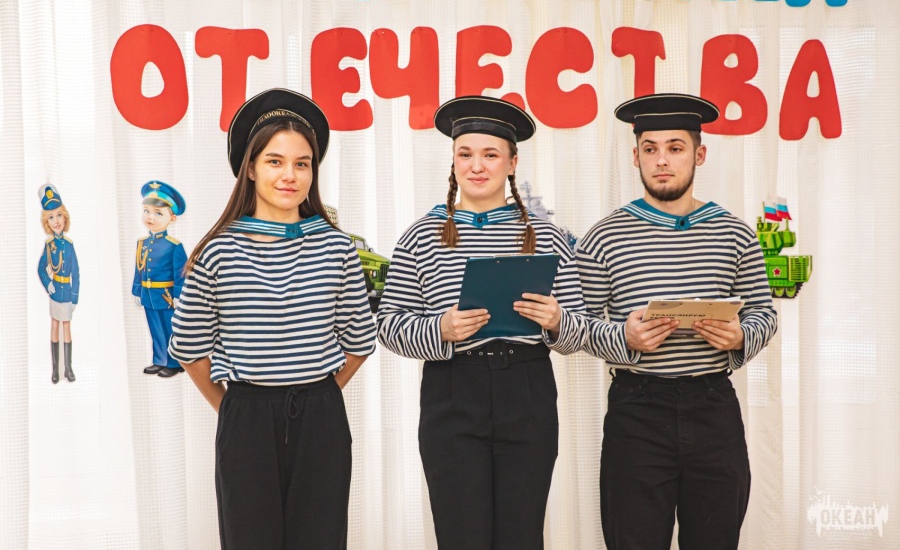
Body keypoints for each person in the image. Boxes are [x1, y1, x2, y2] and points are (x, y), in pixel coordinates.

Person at [376, 96, 588, 550]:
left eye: (491, 154)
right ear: (453, 161)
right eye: (465, 154)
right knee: (462, 536)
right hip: (453, 389)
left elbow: (579, 330)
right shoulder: (420, 236)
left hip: (527, 390)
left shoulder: (548, 236)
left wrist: (556, 321)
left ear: (512, 162)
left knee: (521, 536)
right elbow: (389, 324)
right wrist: (440, 330)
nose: (477, 166)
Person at [168, 88, 377, 549]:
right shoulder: (218, 251)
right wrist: (237, 409)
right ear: (251, 168)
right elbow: (188, 349)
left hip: (320, 417)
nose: (290, 175)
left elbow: (360, 341)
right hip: (246, 416)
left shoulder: (337, 247)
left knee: (320, 539)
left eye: (302, 163)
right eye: (275, 161)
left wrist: (318, 395)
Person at [575, 93, 778, 550]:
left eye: (675, 147)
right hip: (637, 411)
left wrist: (740, 335)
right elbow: (575, 325)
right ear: (636, 157)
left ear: (699, 155)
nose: (662, 160)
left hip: (713, 408)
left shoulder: (735, 232)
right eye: (650, 149)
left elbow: (764, 314)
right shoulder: (605, 236)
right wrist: (623, 337)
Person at [133, 180, 187, 378]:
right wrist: (136, 289)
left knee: (169, 328)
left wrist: (179, 294)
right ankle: (159, 360)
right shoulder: (142, 243)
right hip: (148, 294)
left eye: (158, 213)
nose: (150, 217)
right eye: (146, 211)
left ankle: (174, 362)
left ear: (172, 218)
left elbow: (181, 272)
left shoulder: (174, 245)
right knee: (155, 328)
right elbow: (138, 269)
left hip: (166, 295)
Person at [37, 183, 79, 384]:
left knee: (67, 327)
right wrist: (48, 283)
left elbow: (76, 273)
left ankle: (68, 368)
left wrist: (75, 297)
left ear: (65, 217)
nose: (56, 221)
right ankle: (55, 369)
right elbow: (41, 268)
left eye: (59, 215)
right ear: (47, 222)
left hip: (67, 291)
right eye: (51, 217)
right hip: (55, 291)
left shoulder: (69, 245)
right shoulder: (49, 245)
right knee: (55, 325)